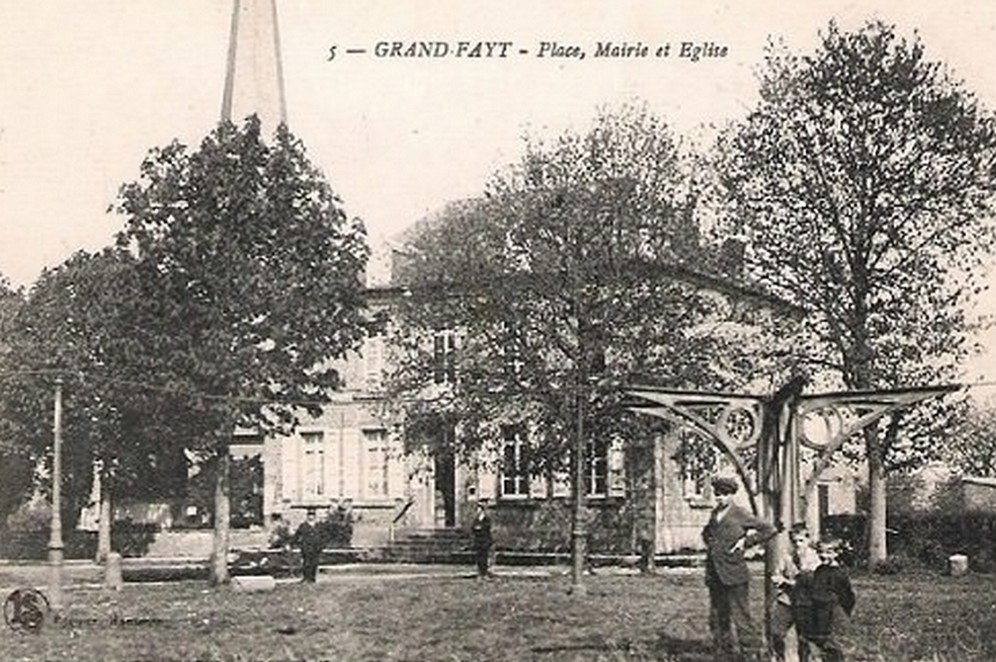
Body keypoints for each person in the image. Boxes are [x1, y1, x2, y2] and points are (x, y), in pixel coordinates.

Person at [701, 476, 777, 661]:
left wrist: (746, 542)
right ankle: (723, 653)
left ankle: (751, 653)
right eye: (718, 495)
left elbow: (769, 529)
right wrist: (711, 543)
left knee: (741, 616)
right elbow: (707, 532)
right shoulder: (715, 513)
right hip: (715, 574)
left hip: (735, 574)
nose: (720, 498)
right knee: (719, 616)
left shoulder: (740, 513)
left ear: (732, 495)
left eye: (725, 495)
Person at [770, 522, 820, 661]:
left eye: (801, 541)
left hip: (805, 602)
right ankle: (779, 657)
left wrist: (786, 582)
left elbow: (810, 583)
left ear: (808, 540)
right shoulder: (787, 556)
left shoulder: (814, 559)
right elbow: (777, 573)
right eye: (795, 541)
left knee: (804, 638)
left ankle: (806, 659)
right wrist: (777, 579)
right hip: (787, 600)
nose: (798, 544)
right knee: (776, 632)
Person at [805, 538, 855, 661]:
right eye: (821, 552)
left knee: (834, 645)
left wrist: (842, 613)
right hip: (818, 612)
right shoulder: (819, 570)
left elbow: (848, 597)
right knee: (819, 643)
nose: (823, 555)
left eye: (828, 552)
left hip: (832, 613)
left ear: (837, 553)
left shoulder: (840, 573)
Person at [293, 508, 324, 583]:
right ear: (307, 516)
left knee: (314, 563)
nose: (311, 517)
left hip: (316, 547)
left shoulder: (318, 526)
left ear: (315, 516)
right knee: (306, 563)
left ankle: (312, 578)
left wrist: (321, 546)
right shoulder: (303, 526)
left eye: (313, 515)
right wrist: (298, 544)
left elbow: (323, 536)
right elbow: (297, 536)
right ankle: (306, 577)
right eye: (309, 515)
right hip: (306, 547)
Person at [470, 500, 493, 578]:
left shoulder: (486, 519)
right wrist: (478, 528)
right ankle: (480, 572)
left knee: (484, 557)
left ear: (482, 510)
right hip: (478, 540)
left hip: (485, 540)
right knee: (479, 557)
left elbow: (486, 528)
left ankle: (484, 572)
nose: (477, 511)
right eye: (477, 509)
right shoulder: (476, 519)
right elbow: (473, 528)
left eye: (478, 509)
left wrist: (479, 528)